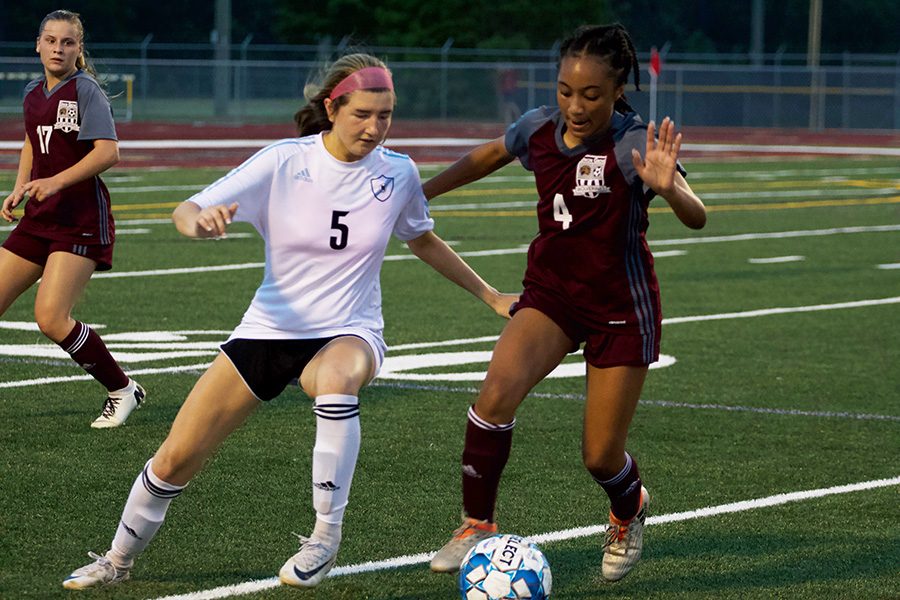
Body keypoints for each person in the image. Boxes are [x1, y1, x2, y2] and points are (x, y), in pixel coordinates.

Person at [62, 53, 516, 591]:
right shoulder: (282, 161)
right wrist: (200, 224)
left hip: (351, 331)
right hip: (268, 331)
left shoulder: (398, 172)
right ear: (332, 107)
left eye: (386, 116)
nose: (375, 128)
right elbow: (187, 208)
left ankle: (324, 536)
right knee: (175, 458)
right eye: (362, 114)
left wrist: (490, 296)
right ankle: (117, 559)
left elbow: (421, 238)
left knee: (334, 380)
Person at [426, 24, 706, 582]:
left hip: (619, 306)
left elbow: (697, 214)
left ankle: (629, 507)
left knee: (601, 456)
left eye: (591, 95)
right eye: (565, 91)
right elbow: (488, 155)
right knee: (493, 398)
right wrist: (420, 188)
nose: (575, 106)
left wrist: (670, 187)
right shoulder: (538, 128)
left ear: (619, 88)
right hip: (551, 296)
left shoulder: (632, 143)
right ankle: (476, 523)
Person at [0, 10, 144, 428]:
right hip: (39, 217)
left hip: (80, 219)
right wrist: (20, 185)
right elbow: (32, 140)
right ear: (38, 45)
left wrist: (57, 181)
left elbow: (108, 152)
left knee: (50, 317)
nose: (58, 49)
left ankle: (122, 389)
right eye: (51, 40)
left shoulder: (86, 91)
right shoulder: (32, 91)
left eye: (67, 42)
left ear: (79, 49)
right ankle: (124, 389)